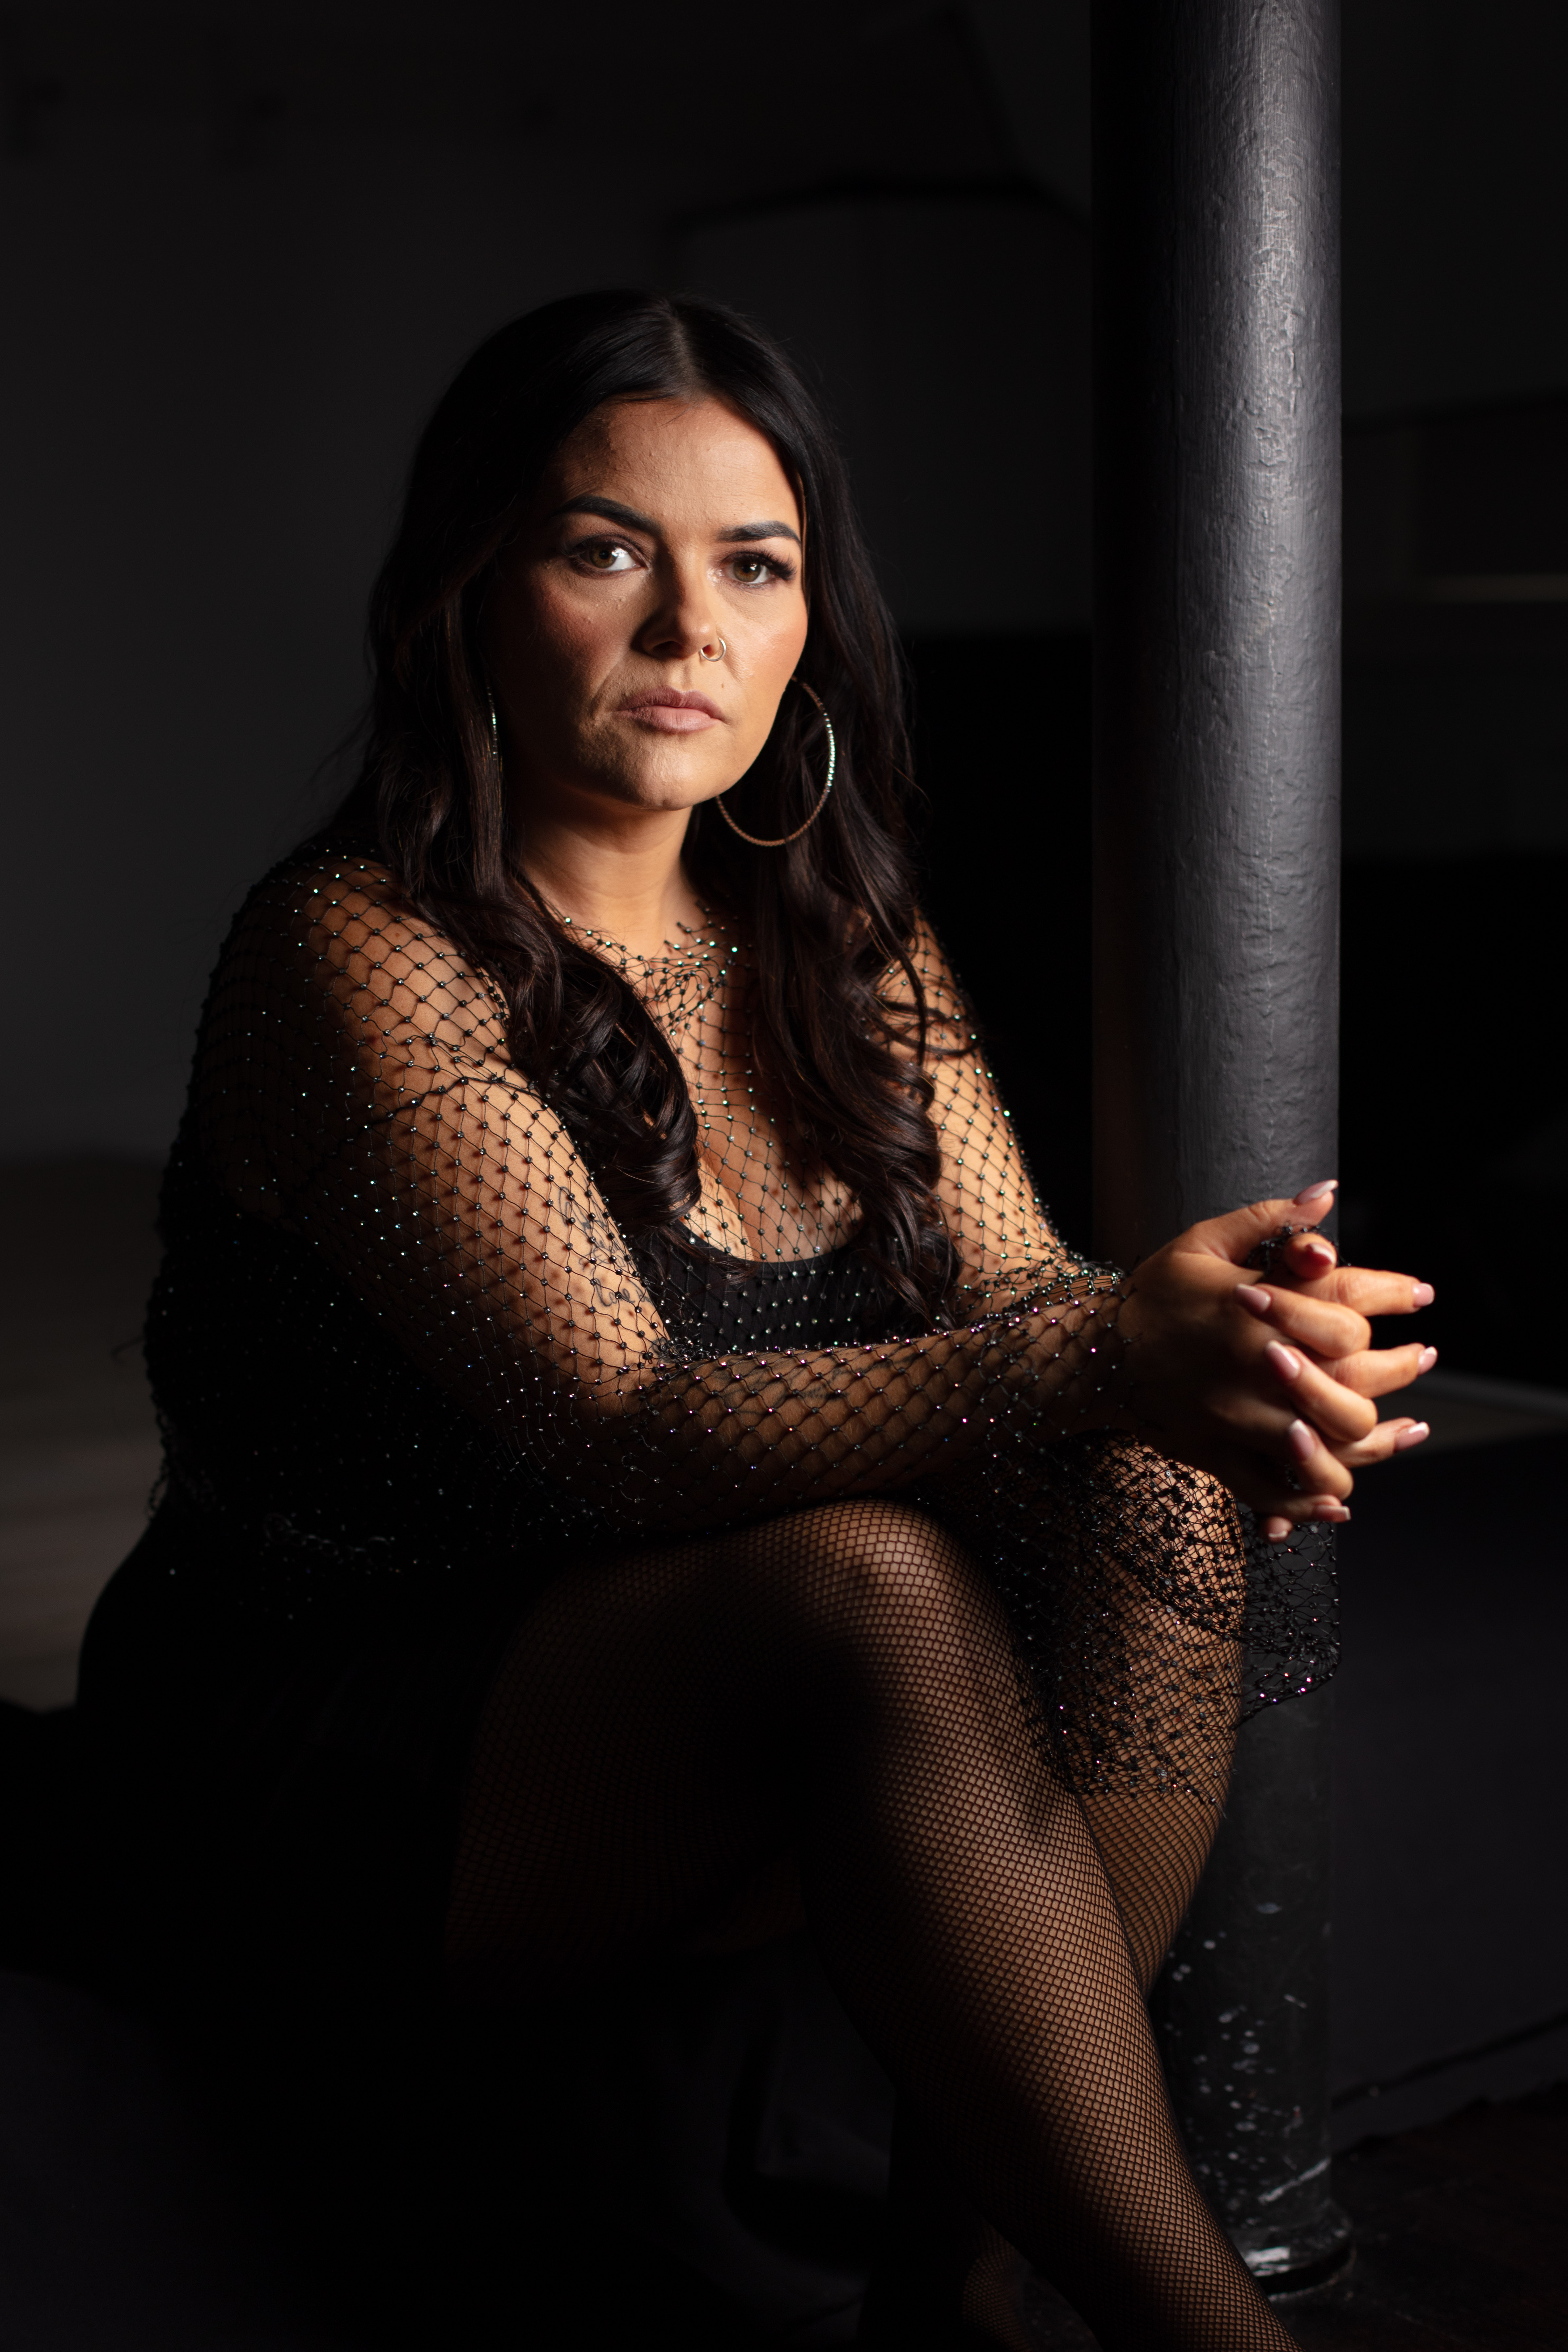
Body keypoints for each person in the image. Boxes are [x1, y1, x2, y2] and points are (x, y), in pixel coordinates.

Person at [78, 290, 1434, 2351]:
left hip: (685, 1695)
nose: (687, 628)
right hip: (337, 1744)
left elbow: (1024, 1296)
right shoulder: (360, 949)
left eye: (754, 565)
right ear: (469, 593)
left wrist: (1236, 1346)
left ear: (812, 622)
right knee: (871, 1583)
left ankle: (955, 2280)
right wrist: (1102, 1350)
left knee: (1157, 1489)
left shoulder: (833, 934)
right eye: (601, 549)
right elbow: (622, 1427)